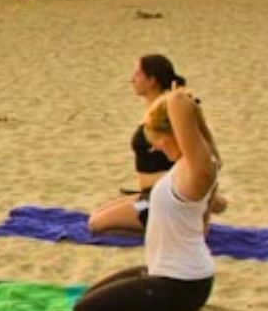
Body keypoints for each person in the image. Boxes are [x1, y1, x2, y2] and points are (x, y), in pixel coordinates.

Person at [72, 89, 221, 311]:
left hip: (181, 283)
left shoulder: (198, 173)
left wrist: (176, 97)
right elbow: (197, 128)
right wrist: (193, 112)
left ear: (176, 135)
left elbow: (179, 105)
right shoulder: (199, 162)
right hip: (169, 273)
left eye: (159, 141)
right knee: (85, 298)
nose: (157, 148)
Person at [87, 55, 223, 234]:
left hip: (163, 199)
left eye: (138, 74)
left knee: (96, 223)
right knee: (96, 214)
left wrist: (202, 190)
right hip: (152, 194)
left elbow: (201, 153)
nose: (132, 79)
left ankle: (156, 226)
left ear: (152, 80)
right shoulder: (156, 110)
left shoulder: (170, 113)